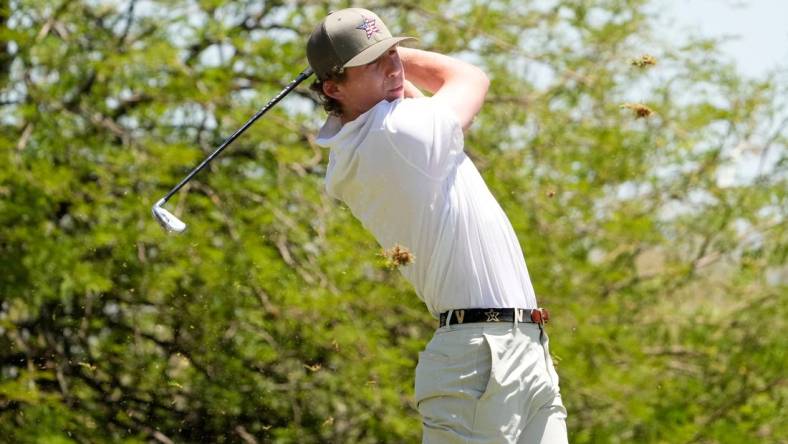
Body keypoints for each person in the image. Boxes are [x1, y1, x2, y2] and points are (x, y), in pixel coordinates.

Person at [306, 8, 568, 443]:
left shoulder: (368, 140)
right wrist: (406, 59)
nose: (394, 67)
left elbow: (397, 95)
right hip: (481, 357)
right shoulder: (399, 134)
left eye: (395, 54)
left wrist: (380, 62)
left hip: (518, 349)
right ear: (333, 87)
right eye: (375, 63)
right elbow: (470, 77)